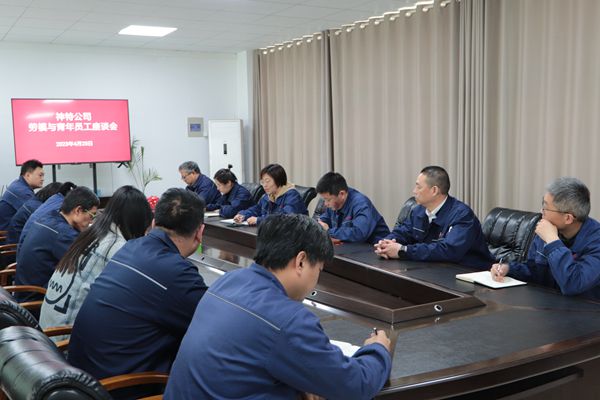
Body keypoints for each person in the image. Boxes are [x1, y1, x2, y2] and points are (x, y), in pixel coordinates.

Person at [164, 214, 392, 399]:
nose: (316, 278)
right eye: (319, 269)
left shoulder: (228, 281)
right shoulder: (289, 319)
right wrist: (377, 349)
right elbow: (355, 386)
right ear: (301, 261)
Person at [68, 188, 208, 397]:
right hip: (117, 389)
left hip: (81, 380)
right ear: (199, 232)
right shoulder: (178, 274)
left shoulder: (129, 247)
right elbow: (214, 328)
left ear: (153, 223)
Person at [39, 186, 153, 335]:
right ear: (136, 221)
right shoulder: (116, 247)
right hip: (65, 337)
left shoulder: (92, 233)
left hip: (46, 331)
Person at [491, 177, 600, 300]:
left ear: (568, 218)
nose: (541, 212)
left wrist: (552, 241)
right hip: (548, 304)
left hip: (585, 309)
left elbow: (573, 284)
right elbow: (534, 271)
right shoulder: (549, 230)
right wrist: (509, 269)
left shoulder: (595, 241)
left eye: (546, 208)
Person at [374, 166, 492, 269]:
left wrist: (403, 251)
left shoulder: (462, 215)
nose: (414, 191)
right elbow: (403, 232)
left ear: (434, 190)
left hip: (466, 272)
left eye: (418, 187)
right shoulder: (418, 210)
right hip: (432, 268)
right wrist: (386, 243)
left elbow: (448, 251)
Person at [15, 186, 99, 303]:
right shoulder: (64, 234)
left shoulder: (49, 217)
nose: (91, 221)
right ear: (78, 210)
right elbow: (90, 265)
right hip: (37, 300)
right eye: (92, 216)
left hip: (24, 291)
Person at [316, 172, 390, 244]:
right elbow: (323, 222)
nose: (325, 204)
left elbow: (359, 234)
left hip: (375, 246)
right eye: (324, 199)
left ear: (342, 194)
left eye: (328, 200)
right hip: (351, 247)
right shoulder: (333, 204)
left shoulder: (361, 203)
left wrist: (329, 231)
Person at [233, 163, 308, 226]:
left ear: (278, 180)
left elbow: (285, 219)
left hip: (294, 235)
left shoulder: (292, 196)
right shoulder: (268, 195)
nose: (264, 185)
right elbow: (257, 209)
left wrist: (258, 220)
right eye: (262, 182)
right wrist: (243, 215)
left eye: (268, 181)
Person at [18, 181, 77, 250]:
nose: (42, 179)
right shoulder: (59, 207)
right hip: (20, 247)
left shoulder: (52, 201)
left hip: (22, 246)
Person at [0, 159, 44, 230]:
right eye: (40, 175)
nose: (42, 179)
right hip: (6, 233)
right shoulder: (22, 192)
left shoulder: (18, 184)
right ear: (28, 175)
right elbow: (39, 215)